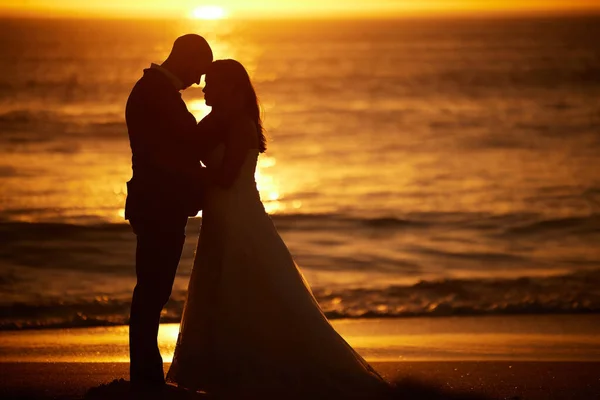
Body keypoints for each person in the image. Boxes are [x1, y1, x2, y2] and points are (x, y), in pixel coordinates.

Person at [166, 59, 393, 399]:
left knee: (248, 290)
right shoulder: (214, 120)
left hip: (239, 217)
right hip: (218, 219)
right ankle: (224, 372)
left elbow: (226, 178)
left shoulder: (241, 124)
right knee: (221, 293)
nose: (204, 88)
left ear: (232, 88)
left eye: (211, 82)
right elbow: (187, 148)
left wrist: (182, 168)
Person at [124, 34, 217, 390]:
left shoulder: (155, 91)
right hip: (158, 205)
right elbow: (166, 155)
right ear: (185, 58)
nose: (198, 79)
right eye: (198, 69)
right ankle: (145, 380)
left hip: (159, 204)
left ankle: (145, 377)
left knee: (152, 291)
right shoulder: (154, 94)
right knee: (152, 291)